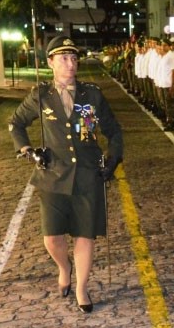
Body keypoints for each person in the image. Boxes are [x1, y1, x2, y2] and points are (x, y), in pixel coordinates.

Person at [9, 36, 123, 313]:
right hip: (52, 174)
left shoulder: (92, 94)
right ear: (50, 62)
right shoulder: (40, 95)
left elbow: (114, 130)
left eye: (73, 58)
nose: (71, 64)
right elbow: (16, 124)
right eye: (63, 58)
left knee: (85, 234)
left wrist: (113, 157)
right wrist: (27, 150)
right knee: (52, 238)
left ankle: (82, 288)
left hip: (87, 174)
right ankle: (64, 267)